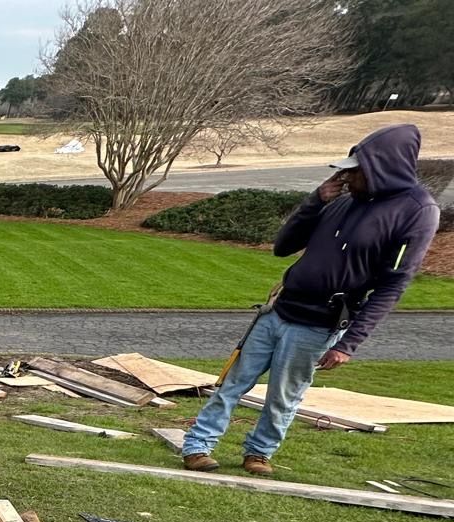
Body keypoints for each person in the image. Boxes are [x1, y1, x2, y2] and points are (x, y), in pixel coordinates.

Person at [181, 124, 440, 476]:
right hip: (279, 309)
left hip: (321, 322)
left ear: (381, 167)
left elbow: (393, 285)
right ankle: (198, 446)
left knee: (283, 396)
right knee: (232, 384)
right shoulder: (341, 202)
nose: (346, 177)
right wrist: (315, 202)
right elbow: (282, 247)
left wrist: (349, 344)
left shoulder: (417, 211)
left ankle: (259, 453)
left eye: (355, 170)